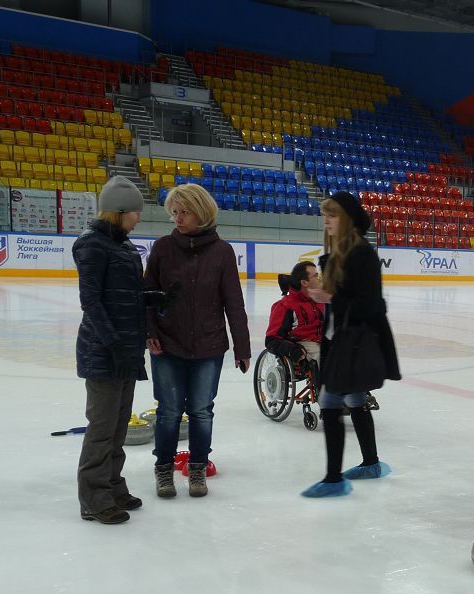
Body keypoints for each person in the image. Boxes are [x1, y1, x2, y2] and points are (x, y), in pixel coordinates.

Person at [144, 183, 250, 499]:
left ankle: (198, 467)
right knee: (169, 411)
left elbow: (234, 302)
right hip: (167, 344)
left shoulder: (222, 252)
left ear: (201, 213)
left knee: (202, 410)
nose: (178, 218)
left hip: (209, 346)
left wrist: (242, 347)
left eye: (185, 212)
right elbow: (147, 296)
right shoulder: (162, 248)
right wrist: (150, 333)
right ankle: (164, 469)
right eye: (175, 212)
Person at [301, 192, 400, 498]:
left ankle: (334, 479)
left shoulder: (362, 254)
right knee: (356, 399)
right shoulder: (336, 255)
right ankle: (370, 463)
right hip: (339, 341)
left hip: (354, 342)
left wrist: (329, 297)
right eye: (325, 215)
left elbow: (369, 305)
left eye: (332, 215)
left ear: (347, 219)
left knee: (329, 402)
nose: (326, 221)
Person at [73, 177, 149, 525]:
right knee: (102, 428)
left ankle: (113, 485)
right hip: (103, 350)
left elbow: (127, 294)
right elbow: (91, 301)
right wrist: (113, 343)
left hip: (127, 348)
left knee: (118, 427)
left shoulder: (127, 246)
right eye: (135, 212)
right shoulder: (91, 245)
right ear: (119, 211)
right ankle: (93, 498)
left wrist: (154, 299)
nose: (139, 218)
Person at [265, 260, 324, 373]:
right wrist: (292, 350)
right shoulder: (285, 306)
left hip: (322, 341)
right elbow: (272, 340)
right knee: (323, 357)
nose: (319, 279)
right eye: (315, 276)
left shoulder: (320, 300)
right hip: (303, 344)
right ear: (304, 282)